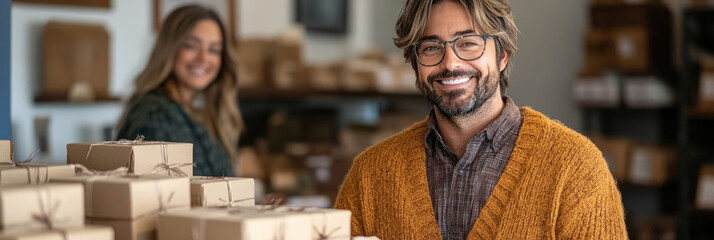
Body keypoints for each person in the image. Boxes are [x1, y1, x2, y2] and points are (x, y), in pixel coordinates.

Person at [335, 0, 627, 239]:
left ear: (502, 55)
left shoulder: (575, 168)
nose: (450, 63)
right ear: (416, 63)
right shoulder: (369, 176)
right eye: (431, 47)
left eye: (469, 43)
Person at [116, 5, 242, 177]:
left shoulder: (200, 115)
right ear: (170, 49)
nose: (204, 57)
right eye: (191, 46)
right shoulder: (155, 115)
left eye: (214, 50)